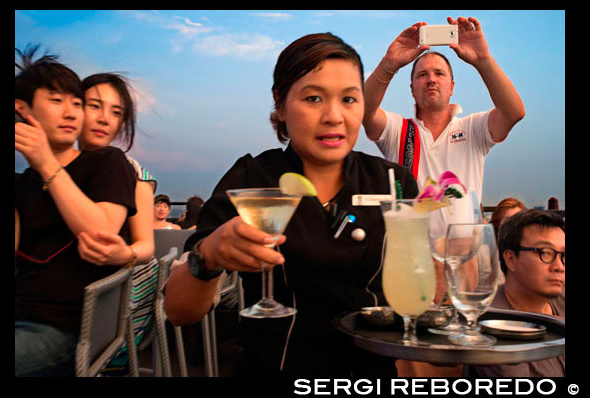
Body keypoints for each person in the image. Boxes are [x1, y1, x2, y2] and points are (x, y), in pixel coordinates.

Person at [163, 32, 418, 377]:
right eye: (313, 98)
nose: (333, 116)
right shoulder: (252, 177)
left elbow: (422, 292)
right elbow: (179, 311)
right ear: (280, 105)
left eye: (349, 99)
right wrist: (207, 256)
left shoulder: (393, 181)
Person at [15, 45, 137, 376]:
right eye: (57, 101)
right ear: (21, 110)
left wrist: (43, 161)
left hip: (70, 328)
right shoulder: (22, 183)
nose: (71, 113)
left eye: (76, 103)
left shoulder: (107, 162)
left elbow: (101, 233)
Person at [363, 17, 525, 202]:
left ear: (452, 87)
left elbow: (513, 112)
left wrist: (483, 60)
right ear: (412, 89)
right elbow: (363, 110)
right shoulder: (397, 130)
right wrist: (389, 64)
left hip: (464, 232)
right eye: (422, 75)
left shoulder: (472, 128)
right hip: (410, 231)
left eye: (439, 73)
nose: (431, 79)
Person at [75, 72, 158, 373]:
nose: (104, 119)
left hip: (115, 305)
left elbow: (145, 247)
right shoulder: (60, 168)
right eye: (94, 106)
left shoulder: (132, 173)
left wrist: (125, 255)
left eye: (116, 112)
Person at [467, 209, 565, 377]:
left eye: (563, 255)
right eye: (545, 253)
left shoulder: (559, 299)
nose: (559, 266)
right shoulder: (493, 327)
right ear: (511, 259)